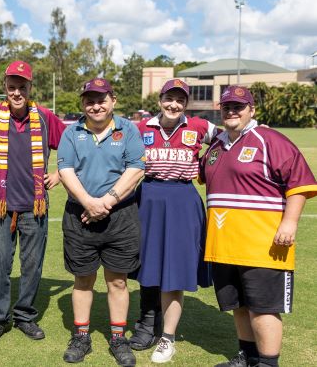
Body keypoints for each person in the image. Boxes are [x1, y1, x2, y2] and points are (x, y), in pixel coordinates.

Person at [199, 86, 317, 367]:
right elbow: (200, 173)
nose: (232, 111)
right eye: (227, 106)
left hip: (263, 245)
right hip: (224, 245)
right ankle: (248, 356)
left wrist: (289, 223)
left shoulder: (270, 140)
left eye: (239, 106)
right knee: (237, 305)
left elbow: (299, 184)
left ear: (252, 109)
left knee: (264, 309)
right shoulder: (217, 146)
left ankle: (267, 362)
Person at [0, 60, 66, 345]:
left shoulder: (45, 116)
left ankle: (25, 316)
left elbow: (72, 144)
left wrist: (59, 174)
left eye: (22, 86)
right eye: (11, 87)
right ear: (4, 88)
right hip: (1, 207)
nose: (17, 92)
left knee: (32, 266)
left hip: (35, 206)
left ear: (31, 87)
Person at [57, 78, 145, 366]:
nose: (96, 105)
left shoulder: (128, 129)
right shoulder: (72, 133)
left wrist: (105, 202)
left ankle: (118, 338)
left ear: (113, 101)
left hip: (120, 215)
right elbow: (65, 170)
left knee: (118, 281)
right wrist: (89, 203)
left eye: (101, 99)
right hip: (79, 214)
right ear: (83, 103)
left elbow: (135, 169)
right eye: (90, 100)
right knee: (83, 280)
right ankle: (81, 336)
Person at [130, 78, 216, 363]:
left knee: (175, 266)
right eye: (169, 98)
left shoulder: (200, 127)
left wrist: (207, 167)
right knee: (148, 260)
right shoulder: (141, 128)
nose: (173, 105)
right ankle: (146, 324)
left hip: (182, 198)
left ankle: (167, 337)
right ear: (160, 100)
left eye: (180, 100)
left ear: (186, 104)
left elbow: (229, 138)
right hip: (150, 195)